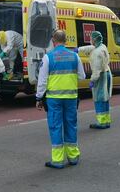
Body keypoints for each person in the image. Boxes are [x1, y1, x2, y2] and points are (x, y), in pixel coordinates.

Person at [36, 30, 86, 169]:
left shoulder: (48, 57)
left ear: (53, 41)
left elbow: (42, 81)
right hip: (71, 97)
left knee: (55, 126)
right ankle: (73, 157)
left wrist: (39, 97)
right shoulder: (75, 56)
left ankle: (58, 160)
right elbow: (82, 76)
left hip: (54, 99)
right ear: (66, 40)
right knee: (71, 125)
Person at [78, 31, 112, 129]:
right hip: (106, 74)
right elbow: (90, 48)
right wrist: (79, 49)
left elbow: (96, 70)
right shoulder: (102, 47)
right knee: (105, 99)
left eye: (91, 39)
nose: (90, 40)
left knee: (99, 99)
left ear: (94, 40)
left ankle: (101, 122)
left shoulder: (97, 53)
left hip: (100, 76)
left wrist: (92, 81)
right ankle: (106, 121)